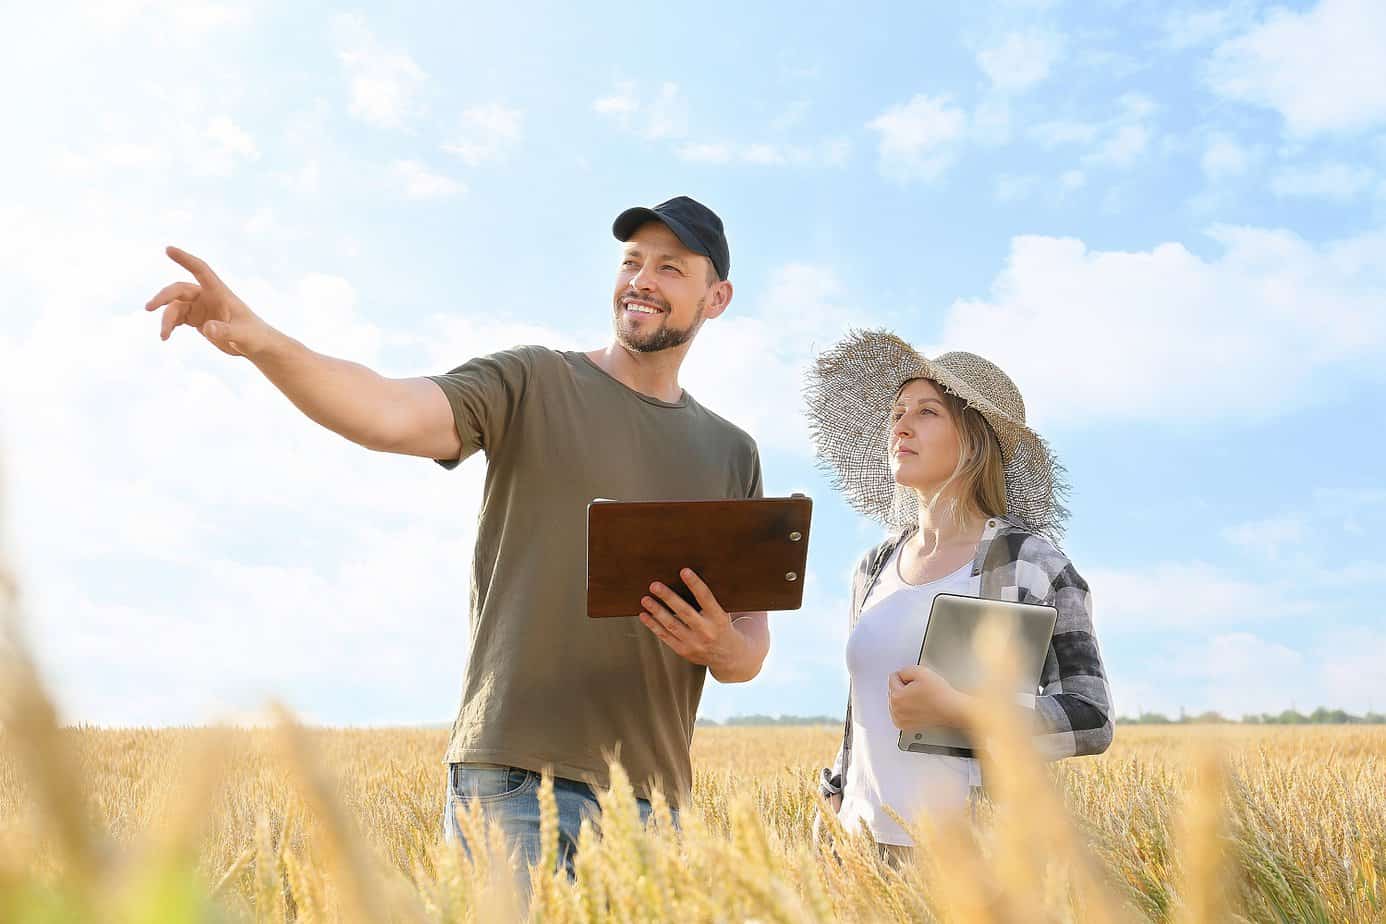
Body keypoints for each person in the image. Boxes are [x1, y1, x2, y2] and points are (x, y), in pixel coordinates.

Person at [143, 196, 770, 881]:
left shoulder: (732, 454)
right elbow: (388, 412)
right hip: (512, 786)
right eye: (631, 262)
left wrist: (722, 646)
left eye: (670, 268)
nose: (641, 280)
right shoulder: (534, 381)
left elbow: (748, 651)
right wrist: (264, 342)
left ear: (717, 297)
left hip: (652, 808)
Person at [803, 329, 1112, 858]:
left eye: (927, 411)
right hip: (856, 854)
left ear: (973, 439)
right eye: (897, 411)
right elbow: (861, 708)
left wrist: (960, 708)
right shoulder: (873, 567)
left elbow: (1091, 717)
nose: (900, 424)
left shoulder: (1029, 564)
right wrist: (831, 798)